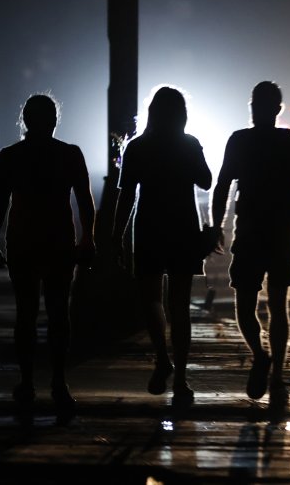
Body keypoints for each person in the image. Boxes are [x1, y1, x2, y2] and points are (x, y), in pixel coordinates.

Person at [0, 94, 96, 411]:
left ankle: (27, 381)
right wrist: (88, 238)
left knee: (26, 313)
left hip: (23, 241)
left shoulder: (10, 156)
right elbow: (85, 203)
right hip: (59, 240)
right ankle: (59, 381)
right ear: (54, 121)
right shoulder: (70, 155)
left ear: (25, 120)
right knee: (59, 313)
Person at [112, 85, 213, 404]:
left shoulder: (138, 147)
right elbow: (206, 180)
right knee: (179, 305)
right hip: (184, 227)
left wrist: (117, 237)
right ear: (182, 114)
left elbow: (126, 195)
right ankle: (182, 379)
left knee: (151, 300)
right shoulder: (189, 144)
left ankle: (161, 358)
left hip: (149, 228)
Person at [211, 81, 290, 400]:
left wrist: (218, 225)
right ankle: (274, 370)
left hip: (253, 231)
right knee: (275, 305)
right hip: (278, 232)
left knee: (248, 304)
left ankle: (264, 358)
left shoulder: (240, 141)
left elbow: (223, 185)